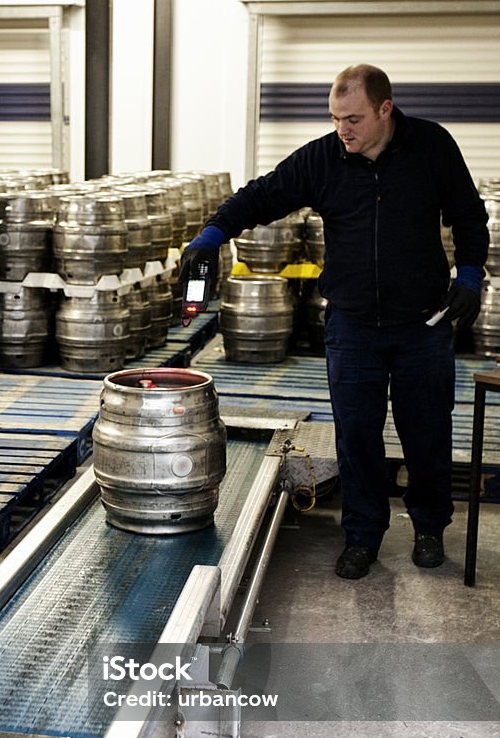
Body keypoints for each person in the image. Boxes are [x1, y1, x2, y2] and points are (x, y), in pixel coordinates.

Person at [180, 64, 489, 579]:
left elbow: (469, 214)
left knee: (427, 433)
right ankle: (363, 537)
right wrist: (213, 232)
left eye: (353, 118)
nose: (342, 128)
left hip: (423, 325)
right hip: (352, 328)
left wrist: (472, 272)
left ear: (385, 110)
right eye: (335, 117)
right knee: (357, 436)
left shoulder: (431, 146)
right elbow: (264, 193)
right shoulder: (324, 158)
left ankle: (430, 529)